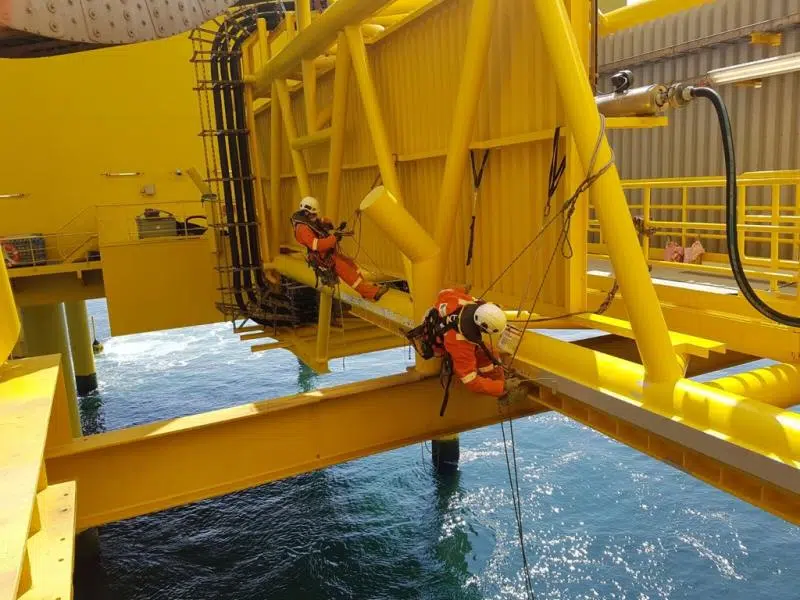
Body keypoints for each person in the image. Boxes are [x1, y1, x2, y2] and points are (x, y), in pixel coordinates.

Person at [429, 287, 528, 402]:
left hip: (437, 324)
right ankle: (501, 390)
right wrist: (503, 386)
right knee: (485, 355)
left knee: (490, 353)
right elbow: (471, 382)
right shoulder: (461, 346)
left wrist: (463, 288)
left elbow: (444, 293)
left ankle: (498, 383)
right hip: (440, 341)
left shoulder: (462, 300)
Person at [290, 196, 389, 301]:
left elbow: (321, 228)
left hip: (327, 254)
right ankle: (373, 294)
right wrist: (334, 238)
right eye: (314, 214)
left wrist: (335, 229)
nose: (316, 216)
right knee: (348, 273)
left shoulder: (309, 222)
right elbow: (317, 246)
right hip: (323, 258)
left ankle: (366, 288)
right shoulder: (302, 229)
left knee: (351, 265)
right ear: (306, 213)